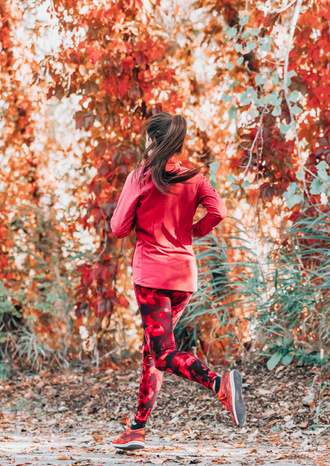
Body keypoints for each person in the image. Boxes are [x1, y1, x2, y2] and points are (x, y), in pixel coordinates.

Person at [109, 112, 246, 450]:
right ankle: (137, 429)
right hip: (183, 278)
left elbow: (118, 229)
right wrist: (192, 230)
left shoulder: (140, 178)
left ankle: (219, 383)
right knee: (153, 352)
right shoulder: (195, 178)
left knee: (163, 353)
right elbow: (218, 212)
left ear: (152, 141)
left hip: (152, 277)